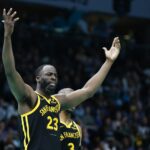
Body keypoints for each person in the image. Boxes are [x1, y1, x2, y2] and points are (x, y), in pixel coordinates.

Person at [2, 8, 121, 150]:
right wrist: (7, 37)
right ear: (38, 78)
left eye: (55, 75)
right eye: (49, 74)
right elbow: (10, 71)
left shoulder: (57, 102)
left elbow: (88, 90)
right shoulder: (29, 97)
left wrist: (108, 62)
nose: (53, 77)